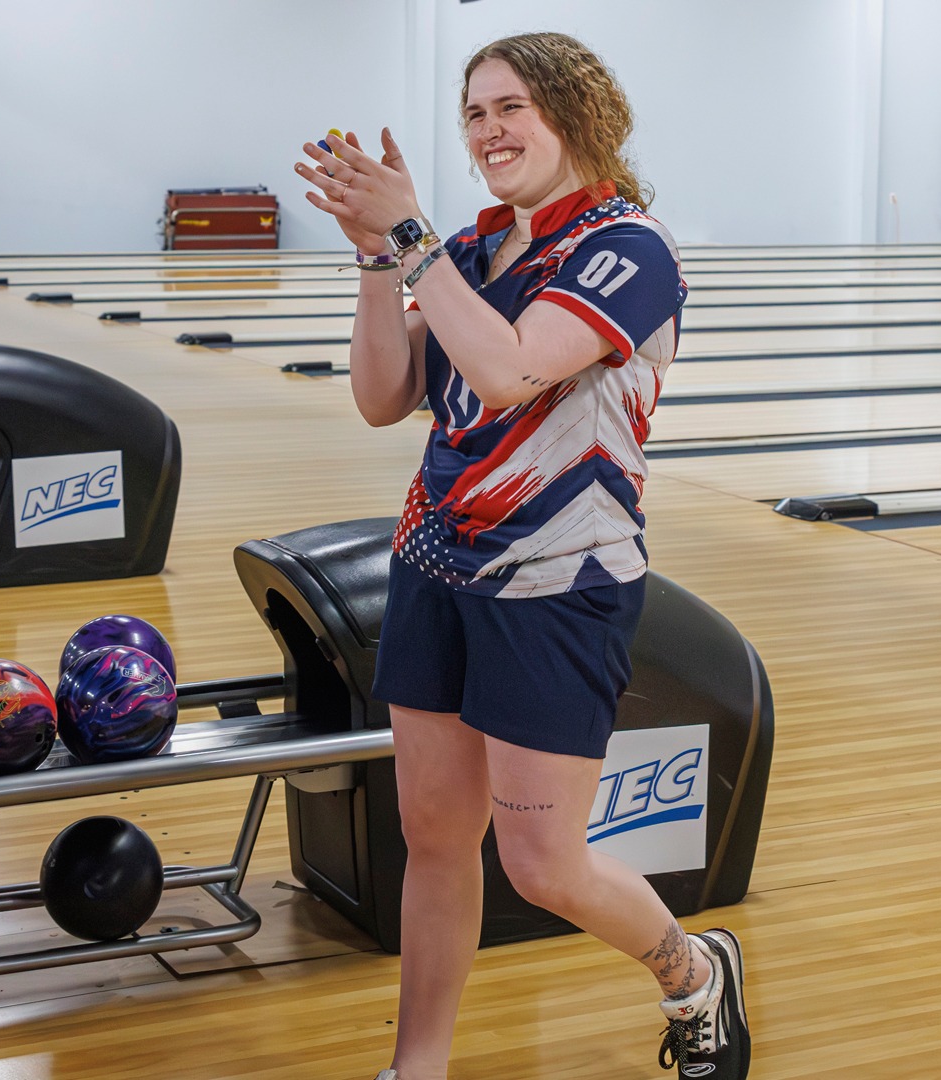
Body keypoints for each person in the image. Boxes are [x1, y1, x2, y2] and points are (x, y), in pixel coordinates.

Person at [296, 32, 749, 1079]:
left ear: (575, 113)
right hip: (434, 566)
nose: (488, 131)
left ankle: (693, 972)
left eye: (512, 108)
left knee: (542, 865)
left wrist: (411, 236)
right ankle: (416, 1068)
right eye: (474, 113)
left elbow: (508, 371)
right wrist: (377, 257)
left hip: (558, 583)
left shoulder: (629, 250)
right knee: (435, 838)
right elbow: (383, 397)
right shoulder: (473, 247)